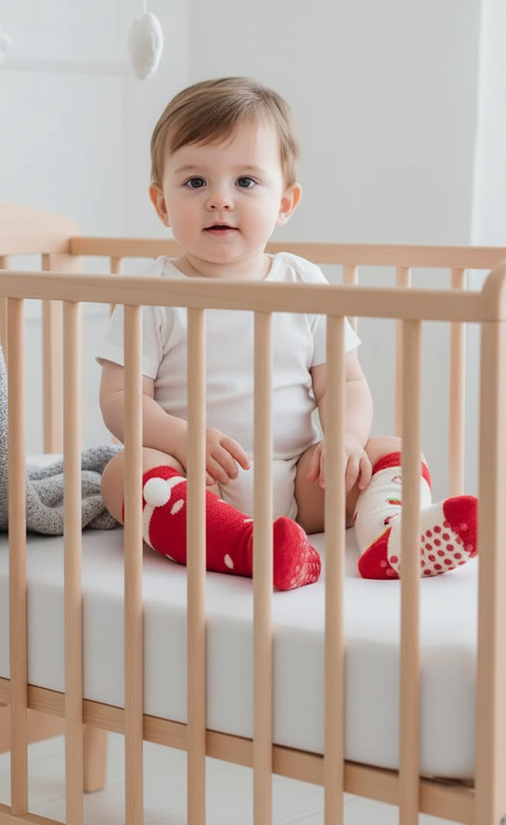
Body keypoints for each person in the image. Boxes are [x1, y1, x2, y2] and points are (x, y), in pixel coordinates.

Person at [97, 76, 477, 589]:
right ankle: (241, 544)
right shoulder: (152, 295)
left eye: (246, 182)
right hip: (199, 481)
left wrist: (344, 437)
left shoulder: (304, 282)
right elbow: (121, 398)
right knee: (125, 471)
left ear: (286, 202)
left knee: (392, 448)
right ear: (161, 203)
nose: (220, 200)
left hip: (304, 479)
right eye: (194, 183)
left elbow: (344, 383)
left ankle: (391, 536)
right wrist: (181, 440)